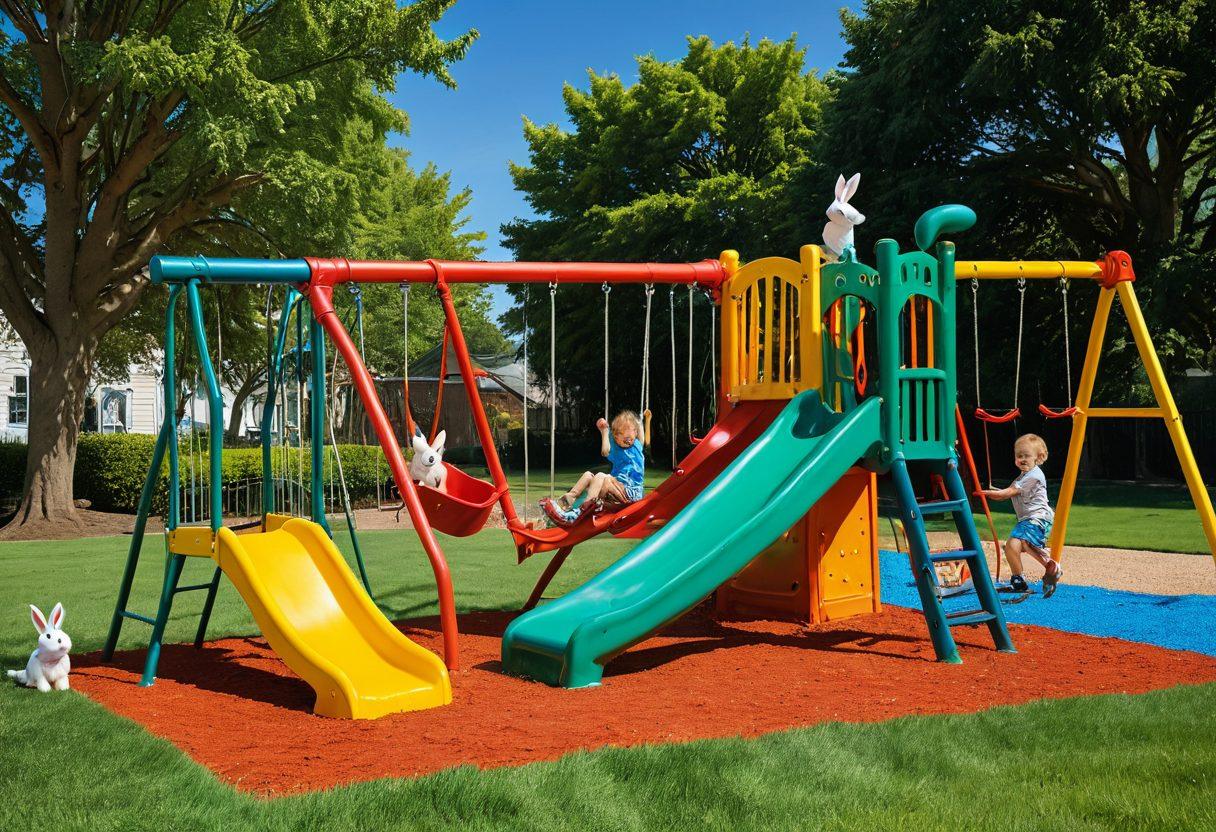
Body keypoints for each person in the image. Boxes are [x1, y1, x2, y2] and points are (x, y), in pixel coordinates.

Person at [981, 433, 1064, 597]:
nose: (1022, 459)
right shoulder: (1022, 477)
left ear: (1038, 457)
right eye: (1019, 456)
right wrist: (990, 494)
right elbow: (1005, 495)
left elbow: (1008, 492)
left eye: (1027, 456)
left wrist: (986, 493)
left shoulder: (1034, 475)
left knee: (1019, 542)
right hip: (1028, 520)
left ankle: (1048, 568)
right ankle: (1023, 577)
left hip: (1038, 518)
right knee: (1013, 546)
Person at [540, 410, 647, 527]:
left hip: (631, 492)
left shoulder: (637, 445)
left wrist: (645, 420)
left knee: (601, 476)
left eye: (631, 437)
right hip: (618, 487)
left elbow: (642, 435)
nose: (629, 441)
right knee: (587, 475)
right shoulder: (616, 449)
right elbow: (605, 451)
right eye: (625, 439)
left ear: (635, 433)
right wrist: (604, 432)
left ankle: (582, 511)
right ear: (616, 437)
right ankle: (564, 502)